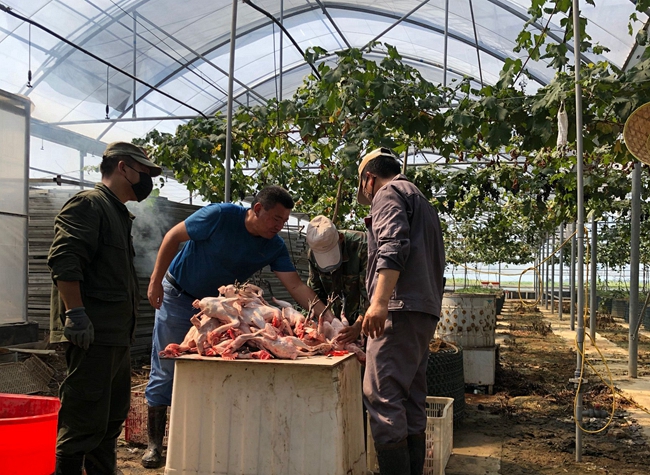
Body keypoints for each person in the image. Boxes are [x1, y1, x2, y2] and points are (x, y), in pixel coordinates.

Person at [142, 185, 335, 468]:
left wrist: (328, 318)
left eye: (284, 221)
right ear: (257, 209)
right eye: (276, 219)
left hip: (222, 308)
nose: (279, 227)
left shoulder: (274, 245)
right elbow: (173, 236)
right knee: (167, 364)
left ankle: (200, 443)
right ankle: (154, 445)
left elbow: (295, 285)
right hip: (179, 296)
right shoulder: (220, 216)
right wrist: (155, 280)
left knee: (211, 367)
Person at [48, 142, 161, 475]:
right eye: (144, 172)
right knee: (82, 421)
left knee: (109, 420)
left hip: (115, 335)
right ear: (123, 167)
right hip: (92, 335)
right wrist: (75, 314)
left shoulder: (117, 213)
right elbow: (65, 260)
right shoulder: (89, 205)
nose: (148, 180)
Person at [357, 147, 445, 475]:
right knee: (410, 397)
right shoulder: (421, 200)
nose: (367, 194)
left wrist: (380, 302)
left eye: (364, 188)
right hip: (423, 310)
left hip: (399, 308)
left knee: (381, 396)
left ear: (369, 178)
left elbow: (393, 245)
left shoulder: (388, 193)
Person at [306, 215, 368, 343]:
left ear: (340, 237)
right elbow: (315, 292)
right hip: (335, 323)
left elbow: (371, 292)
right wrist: (319, 321)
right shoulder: (313, 255)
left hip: (367, 322)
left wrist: (359, 324)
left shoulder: (362, 245)